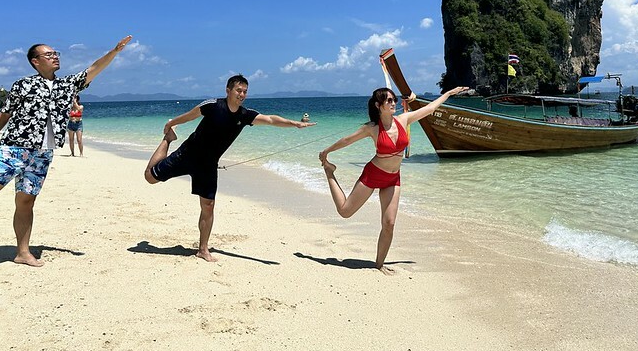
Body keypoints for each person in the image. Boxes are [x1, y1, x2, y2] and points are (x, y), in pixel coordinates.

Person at [0, 35, 133, 267]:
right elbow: (5, 113)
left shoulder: (67, 85)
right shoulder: (22, 85)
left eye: (55, 53)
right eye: (49, 54)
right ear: (35, 61)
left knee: (26, 203)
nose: (55, 57)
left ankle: (23, 253)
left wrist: (114, 51)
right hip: (15, 147)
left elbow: (93, 69)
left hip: (43, 154)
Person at [144, 74, 316, 262]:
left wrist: (294, 124)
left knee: (208, 206)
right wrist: (171, 124)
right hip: (187, 155)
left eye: (245, 92)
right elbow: (190, 115)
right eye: (238, 90)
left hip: (208, 165)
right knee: (150, 177)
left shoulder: (245, 115)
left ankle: (203, 249)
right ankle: (168, 140)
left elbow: (271, 120)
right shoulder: (212, 105)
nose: (242, 94)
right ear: (228, 91)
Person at [318, 85, 469, 274]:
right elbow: (347, 140)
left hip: (393, 178)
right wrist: (326, 152)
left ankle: (379, 265)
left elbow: (429, 109)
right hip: (373, 174)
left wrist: (448, 93)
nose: (393, 103)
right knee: (345, 212)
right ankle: (329, 172)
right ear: (378, 105)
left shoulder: (403, 120)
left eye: (394, 99)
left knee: (389, 223)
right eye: (389, 100)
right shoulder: (372, 128)